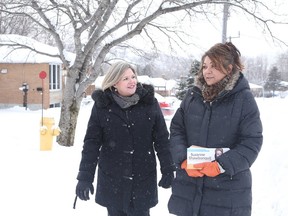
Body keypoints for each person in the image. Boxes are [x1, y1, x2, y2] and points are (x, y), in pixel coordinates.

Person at [168, 42, 263, 216]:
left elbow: (252, 141)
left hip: (227, 192)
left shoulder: (243, 99)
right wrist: (182, 160)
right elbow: (177, 130)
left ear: (229, 69)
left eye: (214, 66)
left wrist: (221, 166)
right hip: (190, 186)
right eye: (205, 66)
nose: (207, 71)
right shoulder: (192, 96)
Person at [75, 61, 175, 216]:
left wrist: (168, 169)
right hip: (113, 180)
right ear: (115, 83)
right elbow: (91, 145)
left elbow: (162, 140)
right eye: (126, 78)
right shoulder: (102, 106)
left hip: (142, 179)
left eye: (133, 76)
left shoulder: (149, 104)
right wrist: (84, 178)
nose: (132, 81)